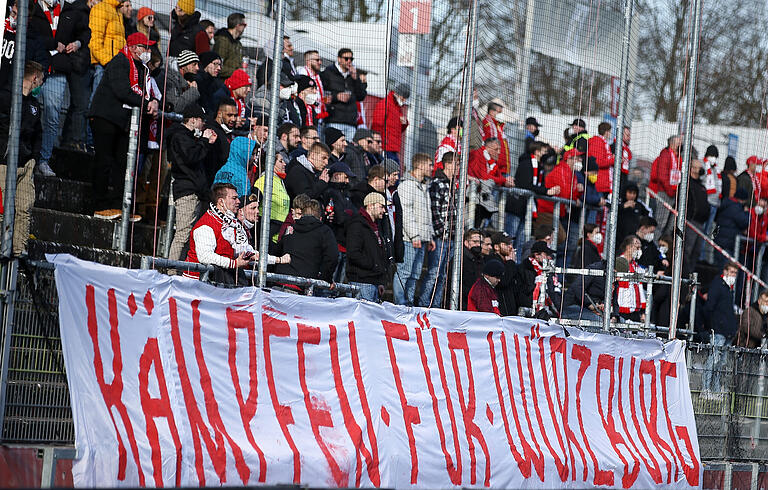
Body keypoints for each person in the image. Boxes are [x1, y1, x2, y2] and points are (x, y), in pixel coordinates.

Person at [89, 32, 158, 220]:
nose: (148, 51)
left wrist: (153, 102)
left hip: (123, 123)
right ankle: (99, 205)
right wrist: (146, 103)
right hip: (106, 118)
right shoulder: (119, 61)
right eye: (145, 47)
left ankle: (117, 205)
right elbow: (122, 91)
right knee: (104, 161)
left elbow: (145, 94)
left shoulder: (143, 69)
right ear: (134, 48)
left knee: (122, 164)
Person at [32, 0, 91, 175]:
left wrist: (78, 43)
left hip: (57, 71)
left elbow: (85, 32)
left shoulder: (70, 10)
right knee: (28, 112)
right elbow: (30, 34)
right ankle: (27, 157)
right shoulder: (32, 8)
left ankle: (43, 160)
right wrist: (51, 44)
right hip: (33, 69)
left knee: (52, 117)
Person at [185, 183, 289, 280]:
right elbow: (205, 257)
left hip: (216, 283)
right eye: (234, 198)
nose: (238, 201)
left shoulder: (231, 223)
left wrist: (277, 260)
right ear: (221, 202)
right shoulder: (206, 225)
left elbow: (249, 253)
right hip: (195, 286)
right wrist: (234, 263)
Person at [0, 61, 43, 254]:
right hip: (3, 162)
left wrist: (33, 158)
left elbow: (38, 133)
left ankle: (18, 250)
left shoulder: (35, 105)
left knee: (24, 208)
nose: (42, 83)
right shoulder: (6, 97)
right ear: (34, 78)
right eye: (41, 79)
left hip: (25, 165)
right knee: (1, 210)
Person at [166, 104, 218, 261]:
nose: (204, 125)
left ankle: (177, 268)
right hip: (186, 190)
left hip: (195, 190)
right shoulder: (180, 136)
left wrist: (206, 143)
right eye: (202, 121)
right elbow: (191, 157)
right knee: (182, 233)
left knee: (188, 234)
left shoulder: (189, 138)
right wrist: (203, 140)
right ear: (194, 120)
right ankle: (171, 269)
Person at [394, 153, 435, 306]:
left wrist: (429, 236)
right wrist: (414, 235)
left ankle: (409, 302)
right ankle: (400, 304)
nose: (432, 168)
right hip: (409, 239)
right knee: (404, 273)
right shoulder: (407, 185)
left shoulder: (423, 186)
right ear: (420, 165)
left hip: (422, 239)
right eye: (429, 165)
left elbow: (427, 213)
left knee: (415, 274)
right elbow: (405, 212)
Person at [419, 151, 458, 308]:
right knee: (434, 273)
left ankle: (435, 306)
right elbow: (434, 211)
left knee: (442, 275)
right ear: (447, 164)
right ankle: (424, 303)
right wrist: (441, 231)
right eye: (456, 164)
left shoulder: (452, 184)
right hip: (441, 237)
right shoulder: (438, 183)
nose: (458, 168)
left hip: (451, 237)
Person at [275, 199, 338, 283]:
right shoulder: (324, 231)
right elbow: (332, 257)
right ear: (320, 218)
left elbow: (278, 250)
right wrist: (325, 278)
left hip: (280, 279)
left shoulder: (290, 228)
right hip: (305, 284)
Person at [702, 262, 739, 393]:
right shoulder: (718, 285)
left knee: (721, 364)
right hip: (718, 330)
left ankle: (716, 389)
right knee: (713, 360)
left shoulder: (729, 288)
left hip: (728, 331)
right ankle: (705, 389)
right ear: (725, 271)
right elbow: (709, 307)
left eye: (735, 273)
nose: (733, 275)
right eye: (731, 272)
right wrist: (712, 325)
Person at [346, 192, 389, 302]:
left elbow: (378, 254)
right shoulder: (357, 225)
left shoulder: (375, 226)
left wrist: (379, 281)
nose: (384, 211)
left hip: (373, 282)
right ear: (370, 206)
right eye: (381, 207)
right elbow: (353, 253)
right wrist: (373, 265)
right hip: (362, 282)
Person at [320, 48, 367, 142]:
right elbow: (322, 94)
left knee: (348, 150)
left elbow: (361, 96)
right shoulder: (328, 73)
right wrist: (336, 97)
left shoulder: (353, 75)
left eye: (351, 59)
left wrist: (355, 78)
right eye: (346, 58)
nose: (349, 61)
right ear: (339, 59)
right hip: (334, 120)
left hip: (350, 122)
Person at [322, 161, 357, 282]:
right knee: (328, 284)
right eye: (345, 177)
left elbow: (354, 215)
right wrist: (348, 214)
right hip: (334, 245)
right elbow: (340, 217)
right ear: (336, 175)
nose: (347, 181)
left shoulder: (346, 194)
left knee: (338, 285)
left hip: (345, 245)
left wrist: (347, 214)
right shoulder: (329, 192)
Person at [88, 0, 124, 101]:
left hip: (114, 66)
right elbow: (95, 40)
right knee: (97, 101)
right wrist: (107, 61)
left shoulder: (118, 12)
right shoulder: (101, 8)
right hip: (103, 66)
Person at [252, 153, 290, 245]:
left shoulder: (279, 180)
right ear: (271, 163)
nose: (284, 164)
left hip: (278, 231)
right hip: (267, 230)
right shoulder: (264, 180)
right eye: (280, 161)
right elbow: (254, 202)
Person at [649, 135, 683, 237]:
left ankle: (664, 245)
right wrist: (670, 191)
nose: (680, 145)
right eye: (678, 143)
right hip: (665, 192)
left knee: (671, 224)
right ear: (672, 144)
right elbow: (662, 176)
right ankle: (655, 243)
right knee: (661, 222)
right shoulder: (665, 155)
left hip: (675, 193)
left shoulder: (679, 158)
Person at [521, 241, 561, 318]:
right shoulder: (525, 269)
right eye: (547, 254)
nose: (550, 257)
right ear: (536, 255)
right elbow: (525, 291)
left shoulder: (549, 271)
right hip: (529, 311)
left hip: (549, 310)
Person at [487, 232, 523, 316]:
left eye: (510, 243)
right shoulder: (493, 261)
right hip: (499, 311)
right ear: (496, 247)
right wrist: (511, 262)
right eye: (506, 244)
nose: (510, 247)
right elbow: (503, 281)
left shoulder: (507, 262)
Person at [371, 84, 409, 164]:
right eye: (403, 97)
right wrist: (378, 143)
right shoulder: (385, 104)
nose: (404, 100)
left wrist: (404, 123)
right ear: (398, 94)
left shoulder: (398, 108)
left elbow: (399, 129)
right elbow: (376, 125)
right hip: (385, 147)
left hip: (393, 147)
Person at [614, 236, 646, 323]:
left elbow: (640, 290)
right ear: (628, 247)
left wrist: (643, 312)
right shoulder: (617, 263)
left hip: (634, 311)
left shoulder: (636, 267)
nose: (639, 250)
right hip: (620, 310)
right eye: (637, 247)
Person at [156, 49, 200, 113]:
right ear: (183, 65)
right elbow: (176, 106)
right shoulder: (169, 79)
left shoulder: (187, 79)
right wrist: (192, 91)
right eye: (194, 64)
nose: (197, 68)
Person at [702, 145, 722, 258]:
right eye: (712, 155)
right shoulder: (704, 166)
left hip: (715, 203)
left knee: (709, 231)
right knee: (702, 229)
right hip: (706, 202)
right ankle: (700, 255)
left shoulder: (716, 169)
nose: (713, 158)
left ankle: (704, 256)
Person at [482, 98, 511, 175]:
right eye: (499, 112)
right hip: (495, 167)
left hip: (503, 168)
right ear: (491, 111)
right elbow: (489, 146)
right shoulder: (487, 124)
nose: (501, 115)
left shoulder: (498, 125)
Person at [459, 228, 484, 308]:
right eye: (475, 242)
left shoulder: (480, 259)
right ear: (466, 243)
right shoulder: (460, 260)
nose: (478, 245)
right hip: (463, 304)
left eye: (480, 242)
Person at [588, 122, 615, 195]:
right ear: (607, 132)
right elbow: (598, 162)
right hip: (600, 184)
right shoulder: (597, 142)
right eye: (610, 132)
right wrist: (614, 160)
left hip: (605, 184)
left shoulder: (604, 143)